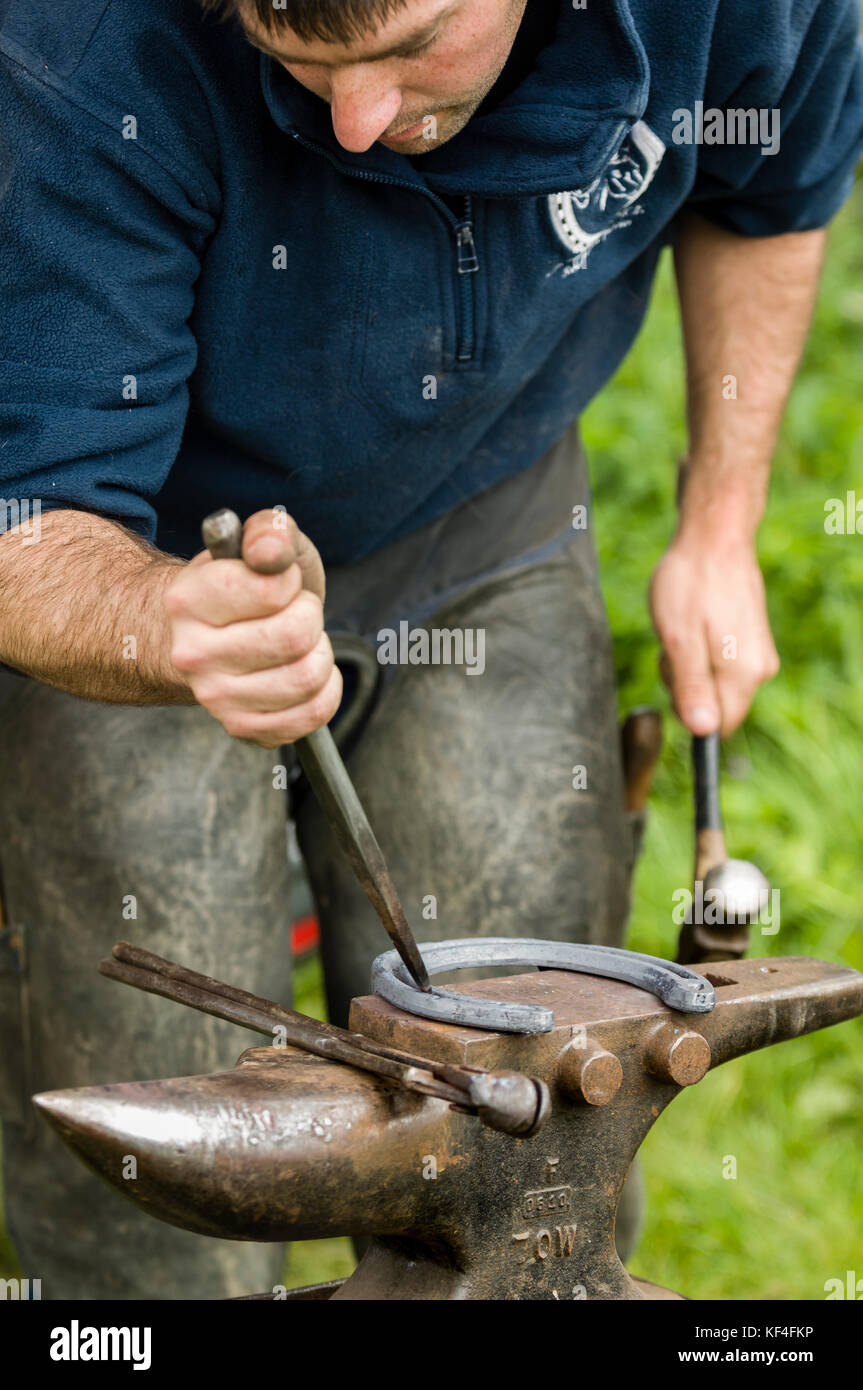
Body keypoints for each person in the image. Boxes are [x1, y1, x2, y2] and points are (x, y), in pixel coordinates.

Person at [0, 0, 860, 1300]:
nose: (356, 121)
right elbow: (26, 517)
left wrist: (723, 522)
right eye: (302, 61)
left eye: (407, 49)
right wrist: (165, 620)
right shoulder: (81, 52)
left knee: (545, 1121)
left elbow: (771, 180)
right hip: (146, 548)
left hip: (487, 500)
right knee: (152, 1208)